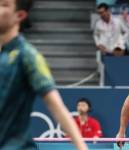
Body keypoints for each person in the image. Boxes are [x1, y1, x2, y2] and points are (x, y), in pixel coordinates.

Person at [0, 0, 88, 150]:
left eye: (4, 5)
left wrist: (81, 147)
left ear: (19, 15)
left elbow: (57, 107)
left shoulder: (28, 56)